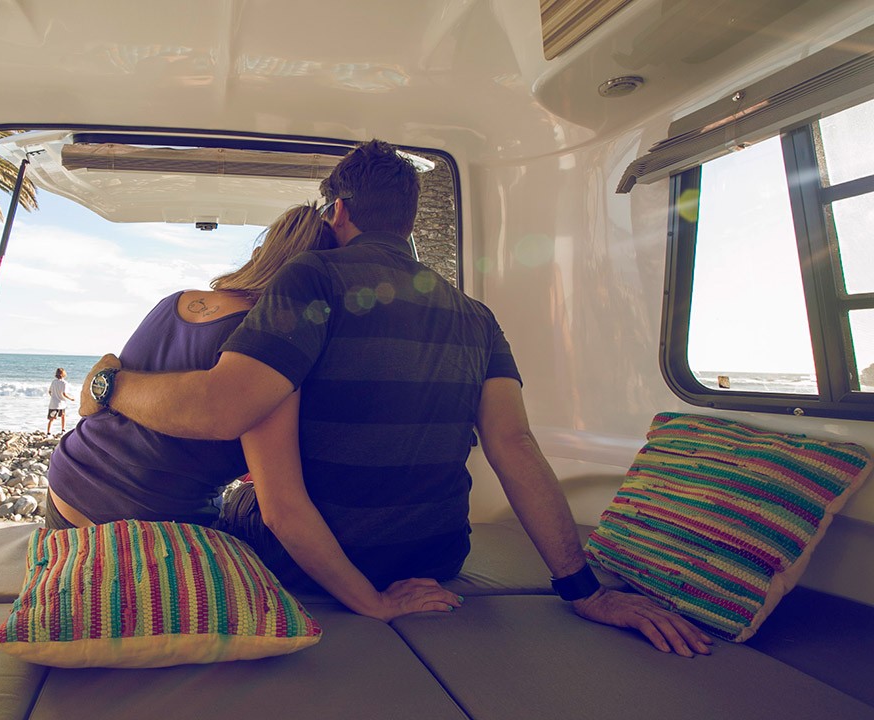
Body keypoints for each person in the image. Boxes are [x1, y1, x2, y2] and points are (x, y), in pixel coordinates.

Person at [79, 140, 713, 657]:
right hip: (437, 558)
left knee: (234, 501)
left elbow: (223, 410)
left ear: (337, 211)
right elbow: (515, 447)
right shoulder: (476, 316)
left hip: (319, 563)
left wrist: (111, 385)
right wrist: (584, 590)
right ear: (408, 221)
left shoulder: (310, 276)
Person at [44, 205, 336, 530]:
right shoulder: (267, 349)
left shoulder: (175, 300)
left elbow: (109, 407)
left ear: (259, 256)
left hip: (66, 483)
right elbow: (282, 508)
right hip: (154, 520)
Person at [46, 368, 76, 435]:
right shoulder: (64, 383)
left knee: (51, 419)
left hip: (53, 403)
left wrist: (54, 396)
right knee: (63, 416)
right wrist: (71, 398)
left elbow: (50, 391)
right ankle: (63, 430)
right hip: (61, 403)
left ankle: (48, 432)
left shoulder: (53, 382)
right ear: (63, 374)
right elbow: (64, 394)